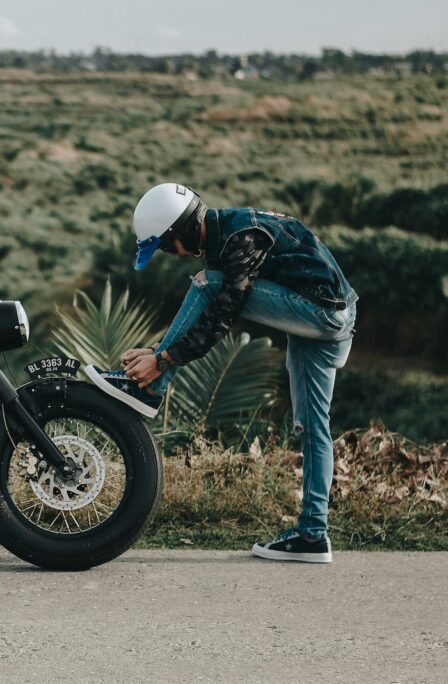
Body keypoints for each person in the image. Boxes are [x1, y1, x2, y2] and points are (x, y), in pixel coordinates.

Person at [85, 183, 357, 564]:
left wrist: (161, 362)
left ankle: (149, 389)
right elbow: (210, 316)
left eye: (165, 246)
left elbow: (223, 314)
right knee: (312, 427)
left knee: (207, 284)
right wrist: (157, 351)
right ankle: (313, 535)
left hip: (322, 313)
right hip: (332, 312)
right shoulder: (226, 235)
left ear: (181, 232)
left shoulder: (239, 240)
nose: (171, 255)